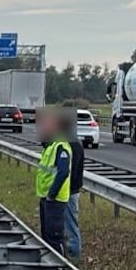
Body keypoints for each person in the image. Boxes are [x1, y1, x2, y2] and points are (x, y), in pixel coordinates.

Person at [35, 108, 72, 254]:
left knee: (54, 236)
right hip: (46, 198)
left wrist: (51, 194)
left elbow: (63, 172)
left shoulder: (60, 146)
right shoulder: (49, 147)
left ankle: (61, 267)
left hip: (55, 199)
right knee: (46, 234)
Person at [61, 111, 85, 259]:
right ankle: (70, 253)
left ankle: (74, 255)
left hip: (70, 190)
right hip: (69, 189)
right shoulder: (74, 142)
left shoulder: (72, 145)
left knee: (70, 224)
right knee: (67, 224)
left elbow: (69, 170)